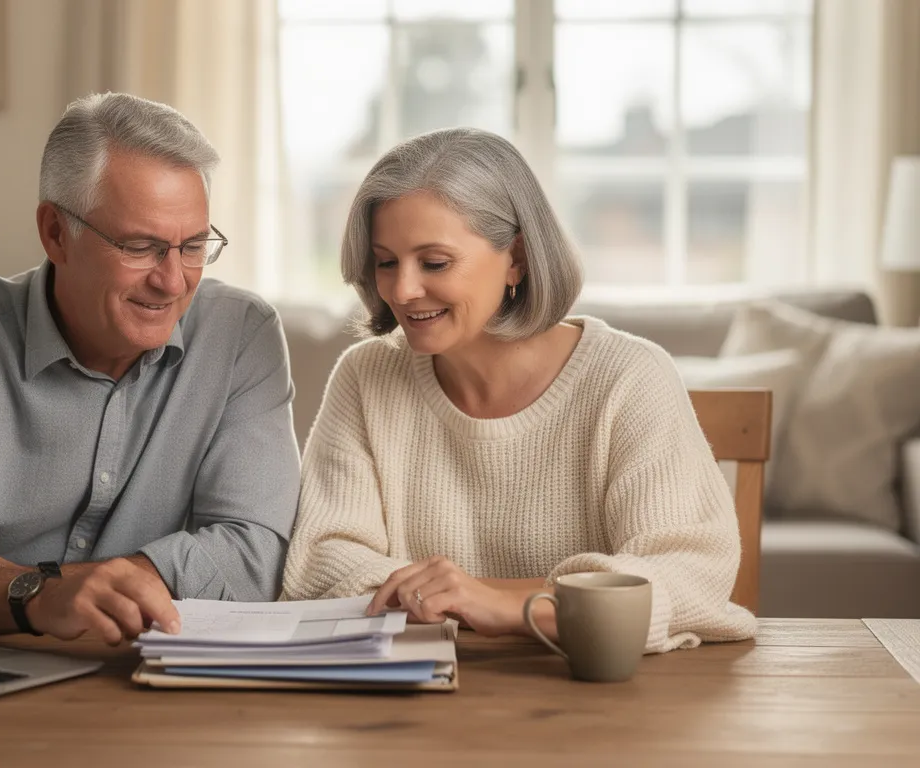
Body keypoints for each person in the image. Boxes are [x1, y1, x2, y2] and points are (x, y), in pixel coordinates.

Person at [281, 128, 756, 654]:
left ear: (518, 258)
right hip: (418, 700)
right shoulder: (365, 377)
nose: (402, 289)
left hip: (600, 704)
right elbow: (321, 562)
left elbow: (691, 575)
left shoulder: (630, 376)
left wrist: (505, 606)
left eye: (434, 262)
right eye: (386, 261)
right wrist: (491, 601)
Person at [0, 93, 301, 644]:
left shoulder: (241, 336)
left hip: (149, 679)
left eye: (194, 246)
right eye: (141, 246)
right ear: (57, 233)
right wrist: (44, 599)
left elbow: (254, 556)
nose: (174, 280)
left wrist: (28, 586)